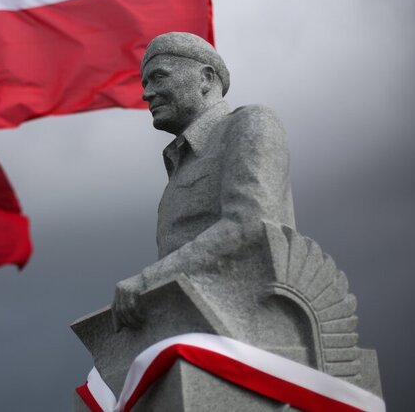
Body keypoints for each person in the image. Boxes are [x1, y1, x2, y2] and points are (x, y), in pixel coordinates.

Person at [111, 32, 296, 330]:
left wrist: (147, 281)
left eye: (158, 78)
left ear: (206, 78)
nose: (147, 94)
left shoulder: (251, 123)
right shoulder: (178, 168)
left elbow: (251, 223)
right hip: (193, 323)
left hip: (254, 325)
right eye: (145, 84)